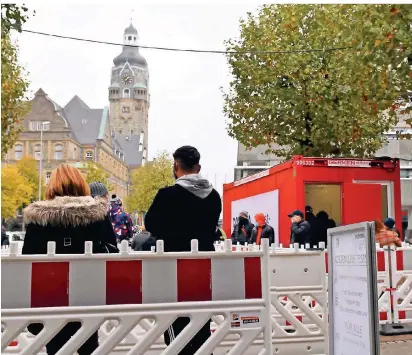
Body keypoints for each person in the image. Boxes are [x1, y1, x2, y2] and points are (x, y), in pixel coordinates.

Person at [22, 164, 118, 355]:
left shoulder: (38, 217)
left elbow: (27, 259)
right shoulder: (97, 214)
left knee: (55, 344)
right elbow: (112, 251)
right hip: (88, 291)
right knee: (88, 342)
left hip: (51, 293)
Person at [145, 145, 221, 355]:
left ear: (176, 166)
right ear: (198, 167)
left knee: (175, 322)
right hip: (204, 266)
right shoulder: (214, 197)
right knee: (202, 317)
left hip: (173, 267)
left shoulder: (167, 195)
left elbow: (151, 224)